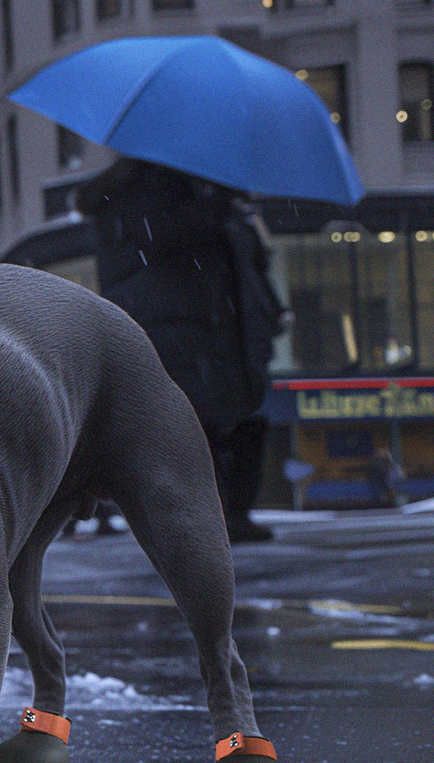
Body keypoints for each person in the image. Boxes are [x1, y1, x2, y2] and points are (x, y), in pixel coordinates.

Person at [75, 157, 285, 543]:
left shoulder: (200, 193)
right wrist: (220, 203)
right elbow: (167, 235)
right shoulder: (137, 194)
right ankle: (210, 519)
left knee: (240, 423)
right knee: (200, 427)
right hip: (181, 331)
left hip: (222, 331)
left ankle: (231, 514)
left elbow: (246, 263)